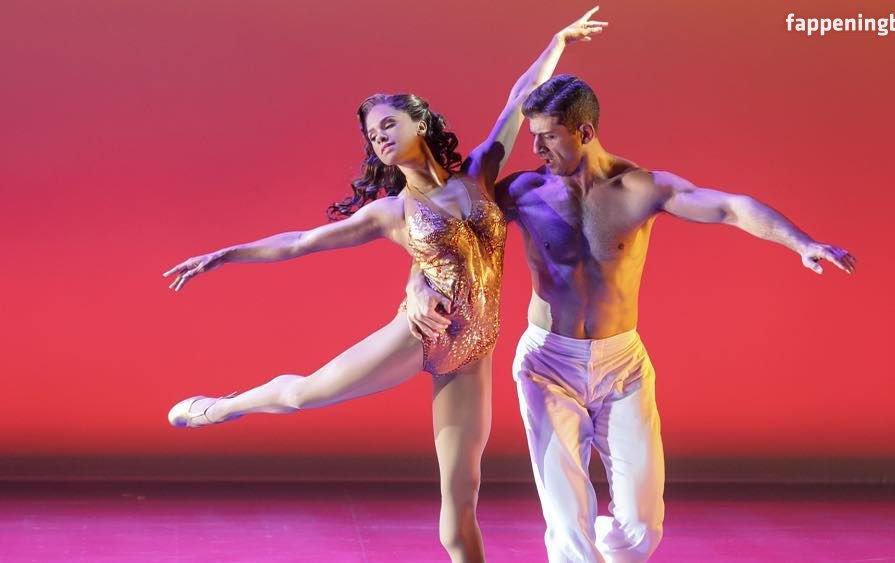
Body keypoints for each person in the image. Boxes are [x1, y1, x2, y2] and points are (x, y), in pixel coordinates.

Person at [161, 11, 608, 562]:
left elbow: (519, 98)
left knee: (461, 503)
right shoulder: (392, 211)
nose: (380, 139)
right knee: (303, 395)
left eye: (388, 125)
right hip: (417, 337)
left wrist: (557, 42)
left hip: (472, 355)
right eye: (373, 136)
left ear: (420, 123)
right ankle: (224, 406)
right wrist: (226, 253)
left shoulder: (479, 172)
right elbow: (301, 241)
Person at [406, 74, 857, 562]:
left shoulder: (639, 188)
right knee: (568, 525)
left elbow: (731, 207)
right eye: (533, 135)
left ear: (584, 132)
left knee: (642, 530)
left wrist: (801, 242)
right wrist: (416, 286)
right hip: (547, 364)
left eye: (548, 136)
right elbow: (449, 231)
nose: (535, 148)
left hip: (622, 365)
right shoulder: (523, 190)